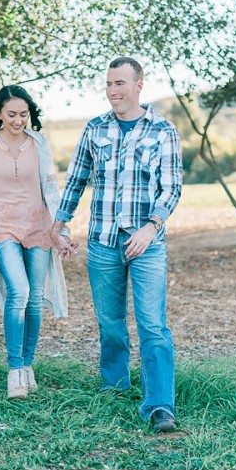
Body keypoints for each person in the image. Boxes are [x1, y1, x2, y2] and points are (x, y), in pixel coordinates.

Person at [50, 57, 182, 432]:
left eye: (120, 83)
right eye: (109, 84)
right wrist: (57, 225)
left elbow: (172, 188)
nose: (113, 91)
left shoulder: (163, 130)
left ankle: (159, 405)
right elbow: (76, 180)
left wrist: (151, 227)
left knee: (152, 325)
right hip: (103, 241)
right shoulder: (95, 129)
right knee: (110, 322)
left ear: (139, 85)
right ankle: (115, 386)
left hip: (147, 243)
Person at [0, 84, 70, 399]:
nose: (18, 120)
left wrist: (61, 229)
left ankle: (28, 364)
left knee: (36, 296)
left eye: (24, 114)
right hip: (4, 226)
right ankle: (15, 369)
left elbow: (51, 187)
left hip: (38, 225)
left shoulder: (40, 143)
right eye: (12, 114)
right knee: (20, 292)